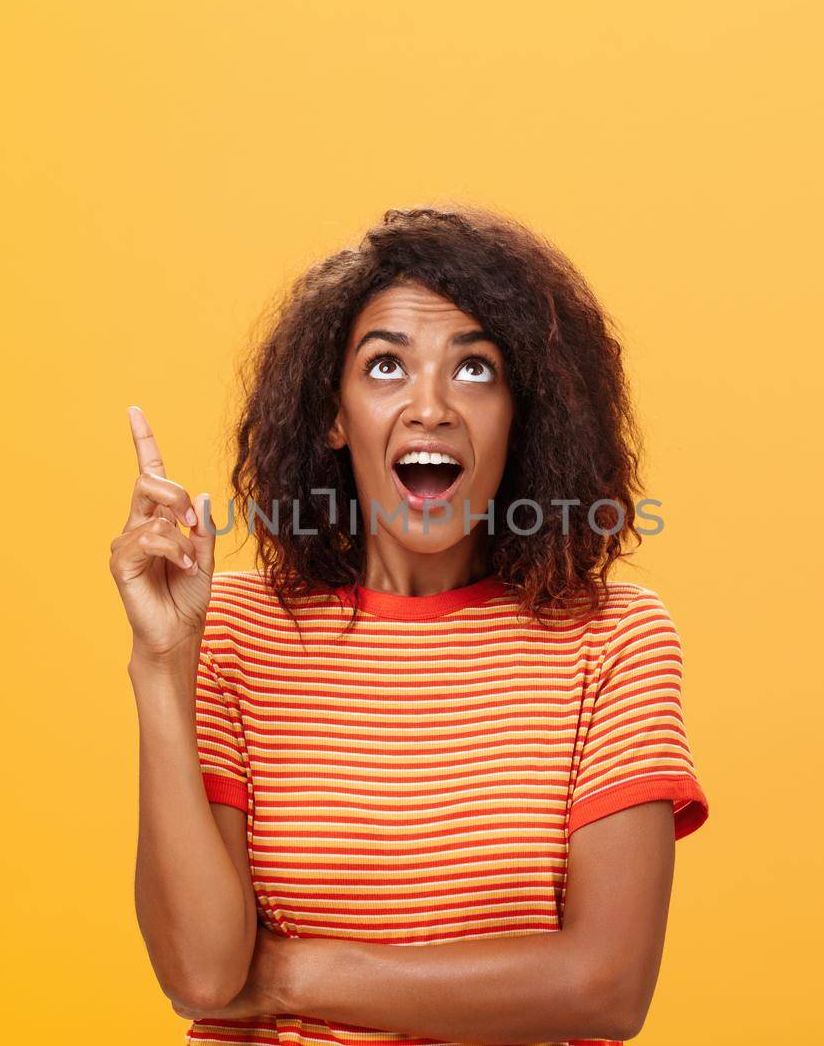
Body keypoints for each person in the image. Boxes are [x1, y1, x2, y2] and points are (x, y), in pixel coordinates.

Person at [109, 205, 710, 1046]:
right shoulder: (234, 632)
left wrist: (282, 973)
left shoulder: (613, 639)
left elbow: (605, 986)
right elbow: (205, 973)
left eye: (475, 371)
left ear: (522, 411)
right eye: (386, 365)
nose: (430, 407)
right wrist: (163, 660)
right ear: (333, 413)